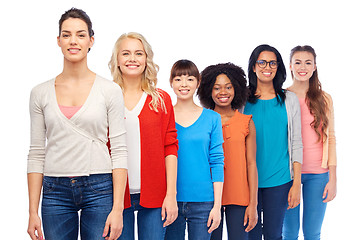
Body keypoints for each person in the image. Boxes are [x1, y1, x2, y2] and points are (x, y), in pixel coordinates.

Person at [27, 8, 128, 240]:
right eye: (67, 34)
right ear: (59, 41)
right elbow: (36, 152)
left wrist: (118, 208)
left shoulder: (109, 90)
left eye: (81, 35)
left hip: (100, 186)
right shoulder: (39, 93)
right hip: (54, 190)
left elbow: (120, 150)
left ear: (91, 40)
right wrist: (33, 210)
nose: (74, 41)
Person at [108, 32, 178, 240]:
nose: (132, 59)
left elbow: (170, 147)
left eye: (139, 53)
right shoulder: (107, 97)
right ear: (117, 60)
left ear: (146, 59)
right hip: (116, 196)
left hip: (156, 195)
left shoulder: (161, 99)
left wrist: (171, 195)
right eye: (126, 53)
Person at [244, 44, 303, 240]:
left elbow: (296, 142)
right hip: (246, 181)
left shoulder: (289, 99)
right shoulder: (242, 99)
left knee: (273, 235)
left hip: (279, 180)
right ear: (253, 66)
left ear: (278, 67)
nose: (266, 67)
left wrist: (296, 184)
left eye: (272, 62)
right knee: (249, 234)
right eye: (261, 62)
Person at [164, 60, 224, 240]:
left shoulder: (212, 118)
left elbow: (217, 162)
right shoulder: (163, 117)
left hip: (204, 202)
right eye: (178, 79)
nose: (184, 84)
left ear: (198, 83)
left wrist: (217, 205)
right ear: (171, 83)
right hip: (170, 200)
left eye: (190, 79)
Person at [197, 62, 258, 240]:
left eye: (228, 87)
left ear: (236, 89)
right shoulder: (203, 120)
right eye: (217, 88)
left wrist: (253, 204)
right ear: (209, 90)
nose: (223, 92)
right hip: (209, 196)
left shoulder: (247, 121)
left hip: (239, 196)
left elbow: (251, 164)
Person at [282, 45, 337, 240]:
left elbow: (331, 138)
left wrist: (333, 177)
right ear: (290, 66)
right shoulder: (282, 97)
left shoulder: (325, 99)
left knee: (312, 232)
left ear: (315, 67)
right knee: (289, 232)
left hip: (318, 174)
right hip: (287, 174)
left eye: (308, 62)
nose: (302, 67)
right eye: (297, 62)